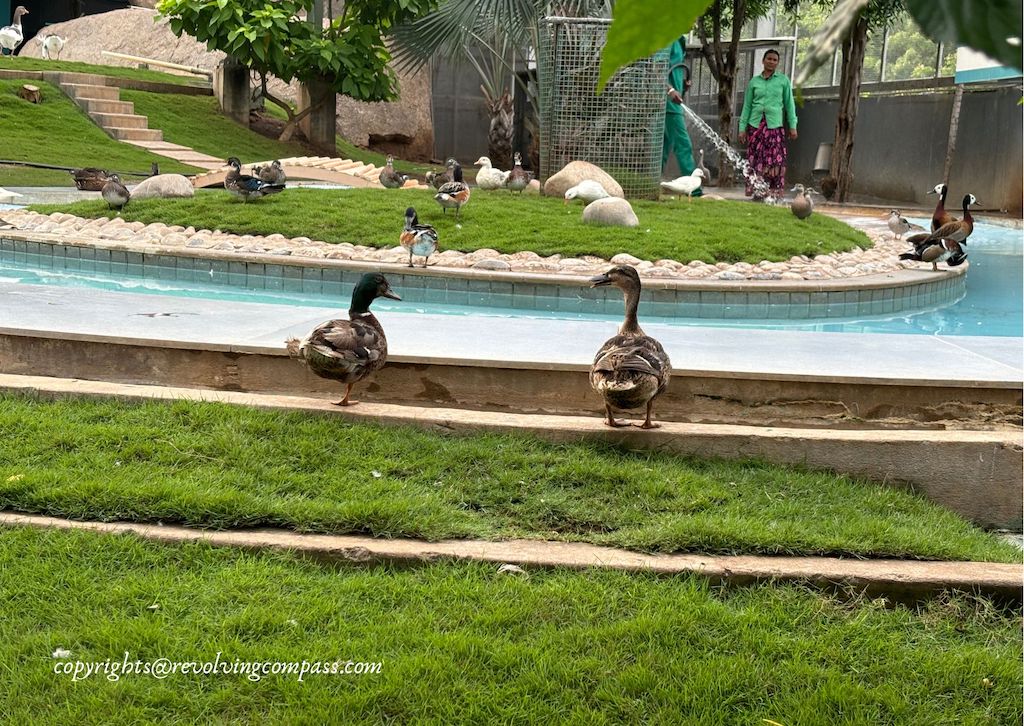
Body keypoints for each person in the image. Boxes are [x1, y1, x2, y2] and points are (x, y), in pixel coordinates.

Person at [737, 48, 798, 200]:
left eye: (774, 60)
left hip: (774, 127)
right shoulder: (754, 82)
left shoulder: (783, 81)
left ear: (777, 63)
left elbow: (790, 105)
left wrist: (793, 126)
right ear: (763, 61)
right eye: (769, 59)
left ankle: (773, 191)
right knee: (756, 159)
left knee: (774, 159)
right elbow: (747, 106)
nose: (771, 62)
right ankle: (758, 190)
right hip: (755, 126)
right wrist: (742, 128)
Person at [662, 36, 700, 196]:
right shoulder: (666, 40)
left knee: (662, 147)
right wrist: (670, 90)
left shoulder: (679, 40)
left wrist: (682, 84)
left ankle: (648, 182)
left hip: (672, 103)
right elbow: (656, 70)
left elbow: (673, 71)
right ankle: (695, 191)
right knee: (683, 145)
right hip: (668, 104)